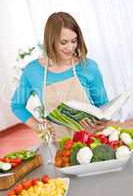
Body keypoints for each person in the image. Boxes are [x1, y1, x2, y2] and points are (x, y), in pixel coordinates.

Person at [11, 12, 114, 141]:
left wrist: (104, 121)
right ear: (51, 41)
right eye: (63, 42)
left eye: (74, 41)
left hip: (92, 141)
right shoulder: (33, 71)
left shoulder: (88, 67)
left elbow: (103, 105)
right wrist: (39, 126)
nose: (70, 47)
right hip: (59, 145)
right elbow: (17, 105)